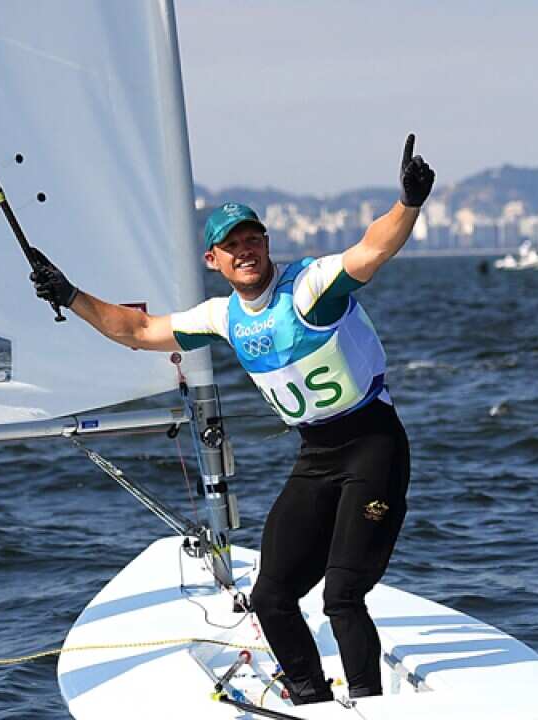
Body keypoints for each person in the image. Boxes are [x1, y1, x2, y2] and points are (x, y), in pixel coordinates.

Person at [31, 135, 435, 703]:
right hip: (317, 457)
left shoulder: (307, 289)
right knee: (270, 595)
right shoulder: (222, 317)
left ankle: (370, 706)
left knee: (341, 595)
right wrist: (69, 294)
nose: (245, 250)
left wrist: (409, 203)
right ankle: (312, 701)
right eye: (231, 244)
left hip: (374, 446)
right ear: (213, 260)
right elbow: (137, 330)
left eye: (253, 239)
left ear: (267, 244)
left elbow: (371, 251)